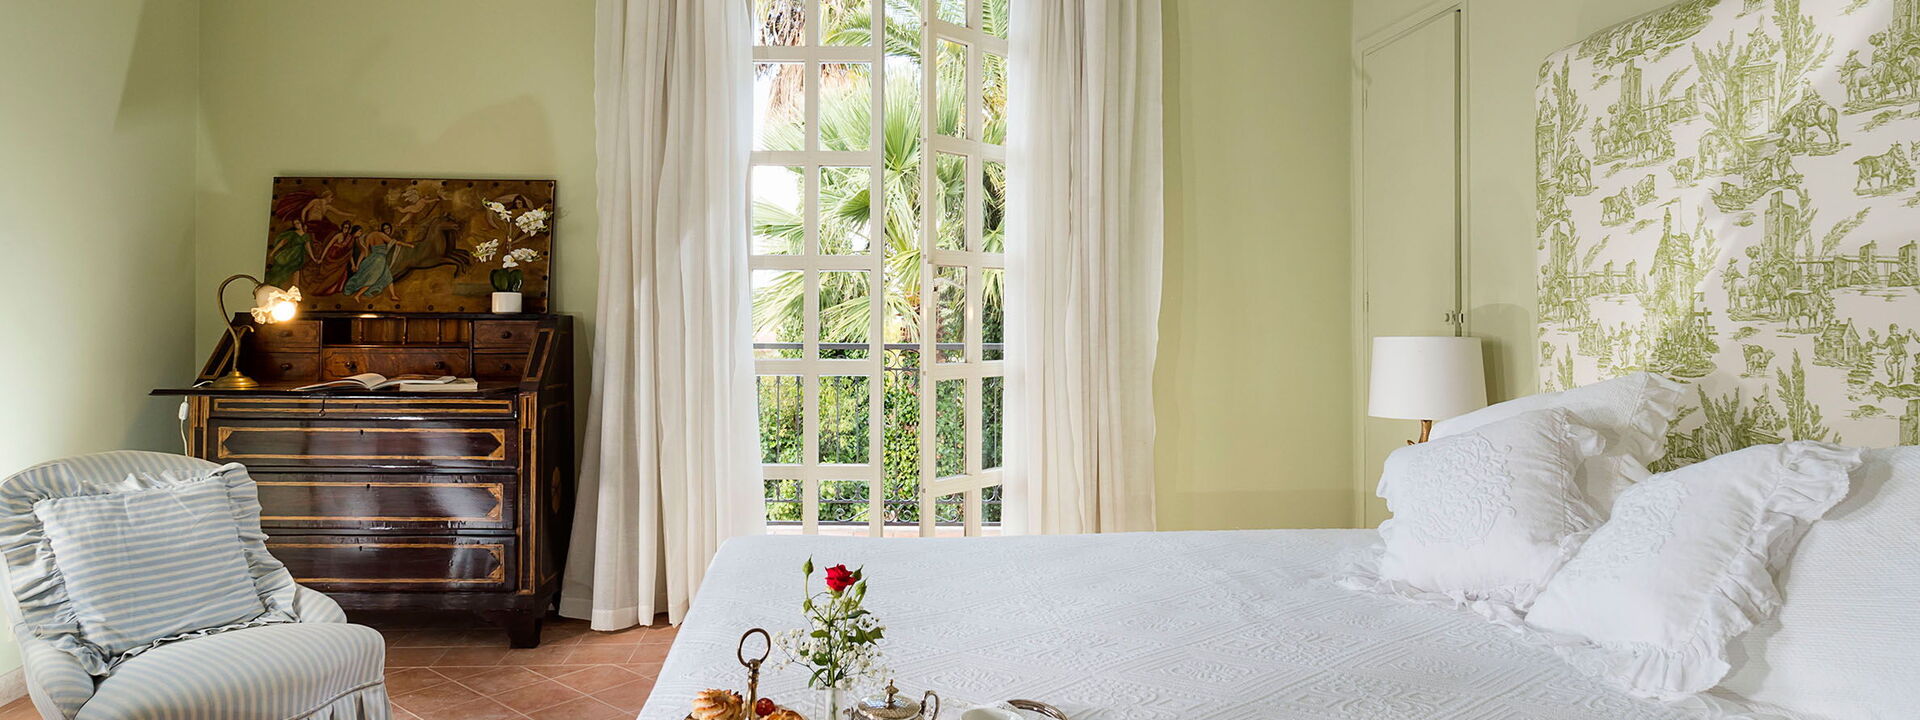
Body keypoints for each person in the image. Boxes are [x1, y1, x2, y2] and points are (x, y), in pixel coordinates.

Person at [344, 223, 416, 300]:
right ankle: (358, 295)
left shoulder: (369, 236)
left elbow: (365, 252)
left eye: (388, 229)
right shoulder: (380, 235)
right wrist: (409, 245)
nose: (387, 231)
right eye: (386, 229)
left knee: (388, 277)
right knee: (372, 279)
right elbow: (396, 242)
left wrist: (358, 265)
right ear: (381, 229)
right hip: (380, 260)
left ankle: (393, 295)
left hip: (373, 258)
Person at [264, 220, 312, 288]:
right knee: (279, 269)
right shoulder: (292, 233)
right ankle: (272, 283)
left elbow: (308, 247)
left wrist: (313, 258)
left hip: (298, 256)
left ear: (302, 224)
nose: (296, 225)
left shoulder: (306, 236)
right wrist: (273, 252)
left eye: (298, 223)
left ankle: (294, 288)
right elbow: (282, 242)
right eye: (295, 224)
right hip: (288, 254)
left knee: (291, 270)